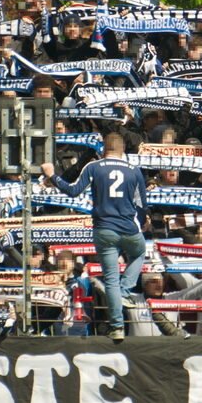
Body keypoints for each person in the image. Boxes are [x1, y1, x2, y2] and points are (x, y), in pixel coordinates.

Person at [41, 132, 148, 340]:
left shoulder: (93, 167)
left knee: (110, 279)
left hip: (104, 229)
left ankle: (117, 327)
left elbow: (72, 191)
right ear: (123, 151)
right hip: (128, 228)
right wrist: (144, 221)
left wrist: (52, 174)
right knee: (139, 252)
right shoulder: (134, 171)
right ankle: (126, 291)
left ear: (103, 151)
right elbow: (142, 205)